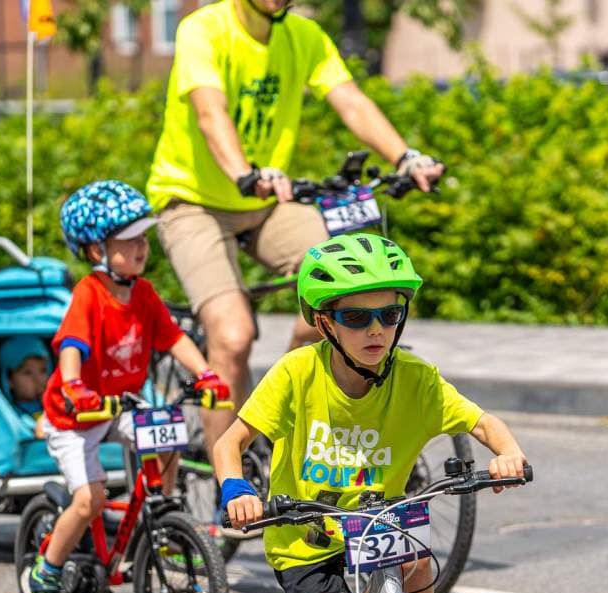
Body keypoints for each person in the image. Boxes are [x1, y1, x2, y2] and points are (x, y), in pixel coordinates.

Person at [213, 233, 529, 593]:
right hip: (307, 535)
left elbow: (484, 423)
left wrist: (507, 452)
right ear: (324, 322)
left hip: (377, 526)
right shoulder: (296, 373)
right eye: (357, 317)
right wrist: (237, 488)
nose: (376, 329)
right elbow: (229, 443)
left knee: (417, 560)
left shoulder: (415, 379)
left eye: (389, 314)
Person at [146, 0, 444, 471]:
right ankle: (231, 482)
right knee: (233, 336)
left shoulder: (303, 36)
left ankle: (280, 405)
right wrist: (244, 173)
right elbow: (210, 113)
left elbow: (351, 101)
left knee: (344, 282)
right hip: (193, 201)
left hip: (266, 202)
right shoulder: (204, 30)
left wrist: (405, 158)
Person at [22, 180, 230, 593]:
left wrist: (206, 374)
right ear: (98, 250)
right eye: (130, 240)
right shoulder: (89, 294)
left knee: (168, 433)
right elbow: (72, 345)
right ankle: (46, 572)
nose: (142, 247)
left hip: (120, 406)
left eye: (144, 238)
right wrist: (74, 385)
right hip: (75, 416)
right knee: (89, 500)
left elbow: (172, 337)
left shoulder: (144, 293)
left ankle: (163, 517)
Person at [0, 335, 50, 437]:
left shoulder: (56, 405)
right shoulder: (9, 415)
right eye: (27, 373)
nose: (37, 379)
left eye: (43, 371)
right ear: (9, 380)